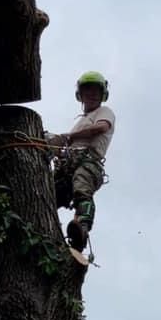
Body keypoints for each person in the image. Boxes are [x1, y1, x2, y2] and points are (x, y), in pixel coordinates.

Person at [44, 71, 115, 251]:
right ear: (80, 95)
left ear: (102, 95)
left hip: (88, 163)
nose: (91, 94)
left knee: (81, 186)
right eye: (87, 91)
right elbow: (68, 148)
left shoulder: (104, 112)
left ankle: (81, 227)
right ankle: (43, 228)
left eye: (95, 91)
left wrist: (67, 137)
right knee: (47, 193)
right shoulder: (81, 121)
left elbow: (100, 128)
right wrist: (53, 146)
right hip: (69, 164)